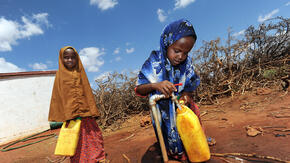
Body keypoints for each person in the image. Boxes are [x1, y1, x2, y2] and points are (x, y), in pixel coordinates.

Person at [135, 19, 201, 161]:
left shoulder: (186, 63)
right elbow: (140, 88)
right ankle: (172, 154)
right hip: (162, 111)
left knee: (191, 138)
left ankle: (193, 151)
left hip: (183, 108)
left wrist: (186, 95)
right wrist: (156, 85)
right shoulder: (154, 61)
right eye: (177, 51)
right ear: (166, 43)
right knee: (168, 138)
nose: (180, 57)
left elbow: (191, 83)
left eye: (186, 52)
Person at [48, 46, 106, 163]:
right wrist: (66, 113)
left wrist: (92, 110)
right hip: (71, 117)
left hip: (86, 114)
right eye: (66, 57)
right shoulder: (60, 76)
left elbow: (87, 92)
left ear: (77, 58)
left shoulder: (80, 73)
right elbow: (57, 97)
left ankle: (97, 158)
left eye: (72, 57)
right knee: (75, 141)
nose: (69, 60)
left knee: (93, 136)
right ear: (61, 59)